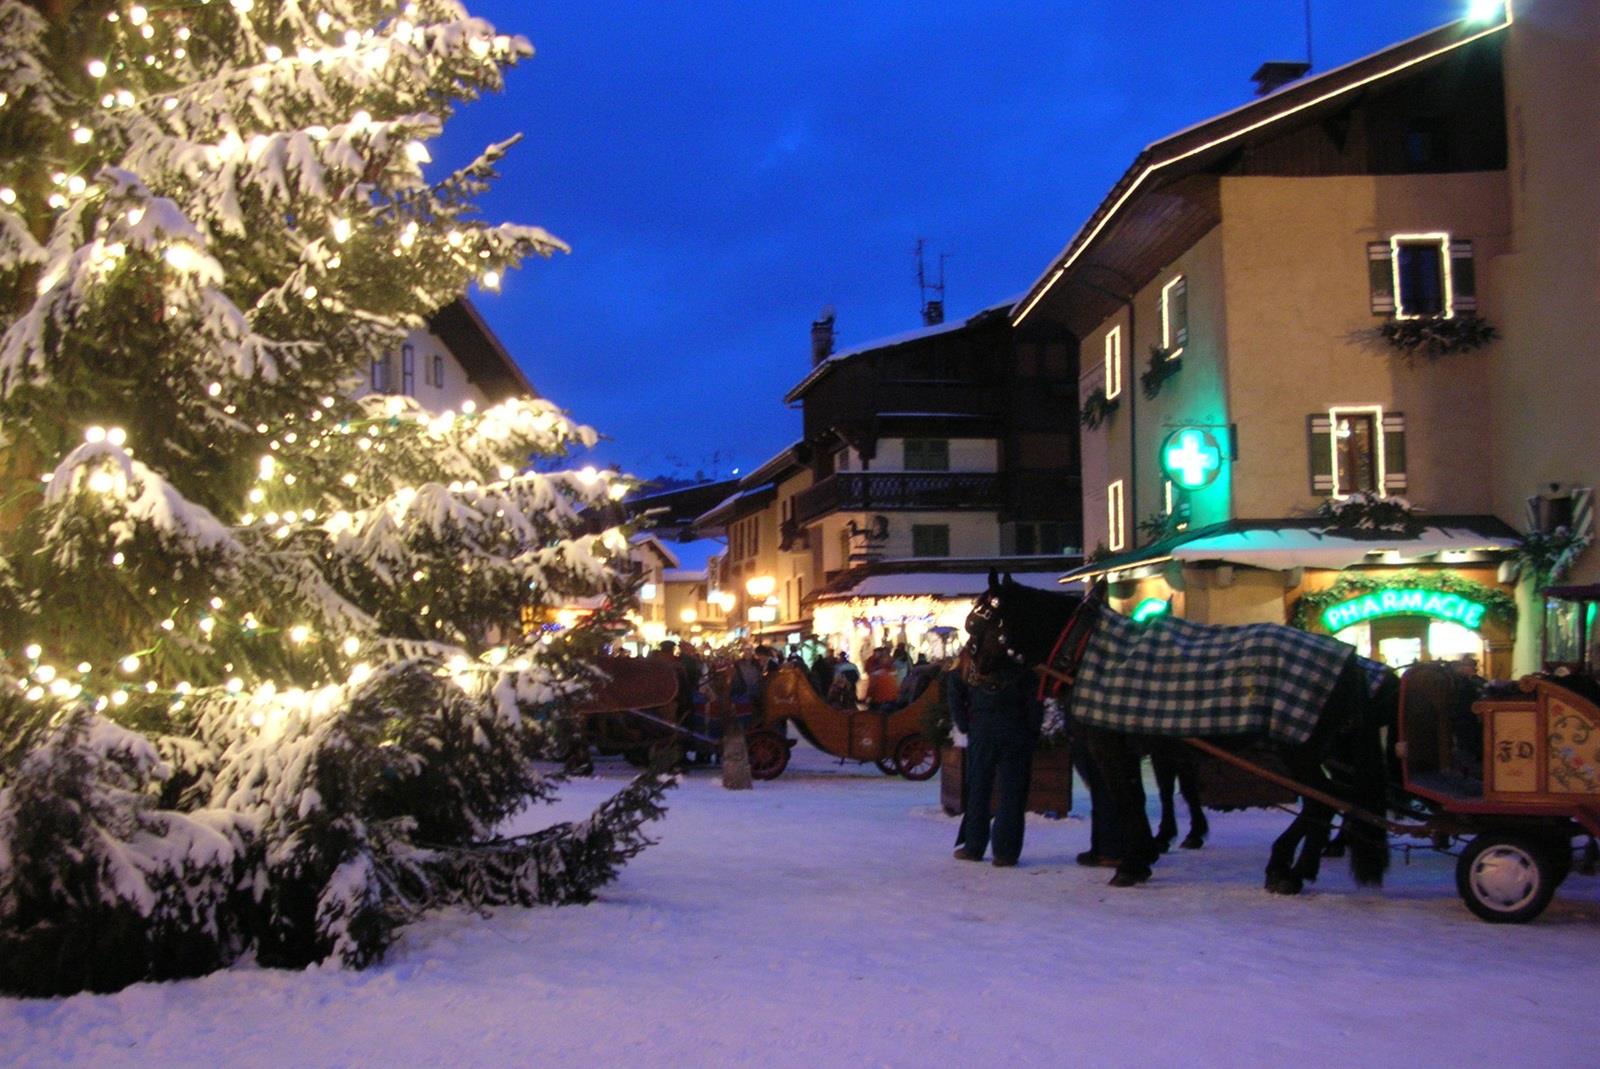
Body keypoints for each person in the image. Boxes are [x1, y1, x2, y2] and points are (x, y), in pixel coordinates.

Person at [948, 652, 1042, 867]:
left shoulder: (973, 661)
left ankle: (973, 845)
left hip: (982, 729)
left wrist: (965, 725)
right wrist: (1031, 731)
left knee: (978, 788)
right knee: (1012, 791)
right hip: (1015, 729)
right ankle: (1006, 851)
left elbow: (954, 690)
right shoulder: (1021, 663)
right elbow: (1034, 701)